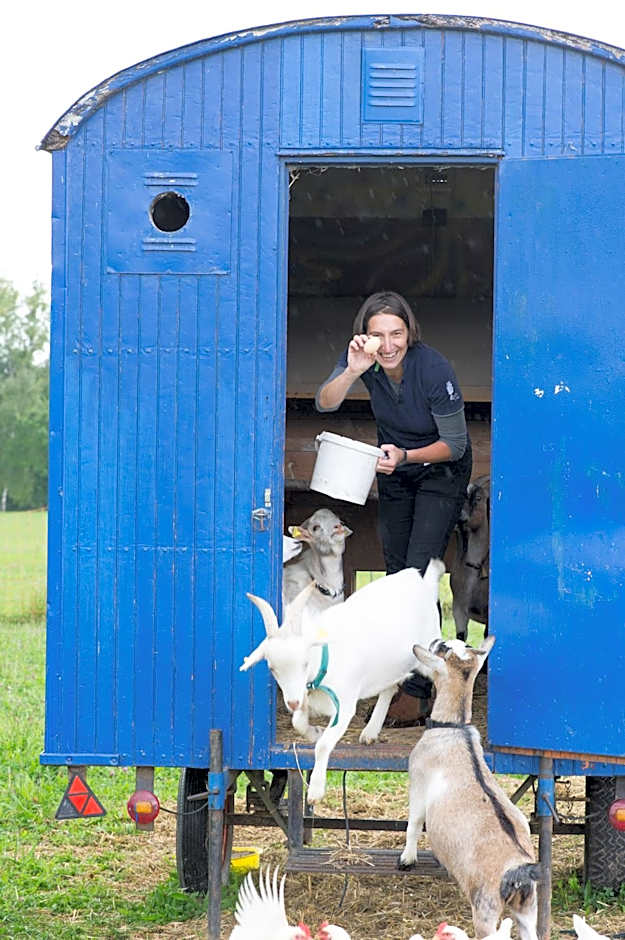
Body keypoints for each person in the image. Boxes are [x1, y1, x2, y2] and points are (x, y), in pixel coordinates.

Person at [315, 290, 472, 725]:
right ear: (364, 335)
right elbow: (325, 402)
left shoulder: (433, 369)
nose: (387, 345)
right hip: (395, 468)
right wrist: (352, 370)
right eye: (378, 335)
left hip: (440, 470)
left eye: (396, 334)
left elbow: (456, 444)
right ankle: (403, 674)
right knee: (398, 575)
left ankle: (420, 690)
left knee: (420, 576)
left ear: (410, 332)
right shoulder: (366, 363)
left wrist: (406, 455)